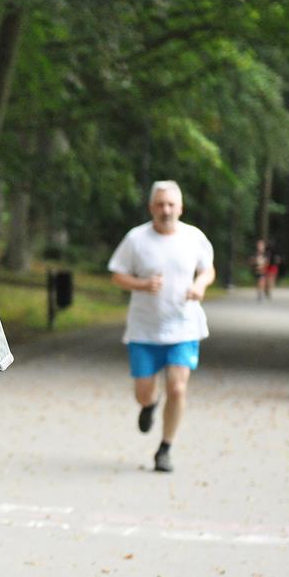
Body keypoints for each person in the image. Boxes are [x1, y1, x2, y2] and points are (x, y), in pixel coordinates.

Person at [108, 180, 215, 473]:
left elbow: (208, 269)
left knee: (177, 388)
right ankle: (149, 405)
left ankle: (165, 448)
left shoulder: (194, 237)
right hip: (144, 328)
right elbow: (117, 275)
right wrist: (142, 284)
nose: (166, 210)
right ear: (151, 207)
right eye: (160, 204)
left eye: (171, 204)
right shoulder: (136, 239)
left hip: (183, 326)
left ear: (180, 208)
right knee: (143, 392)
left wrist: (200, 285)